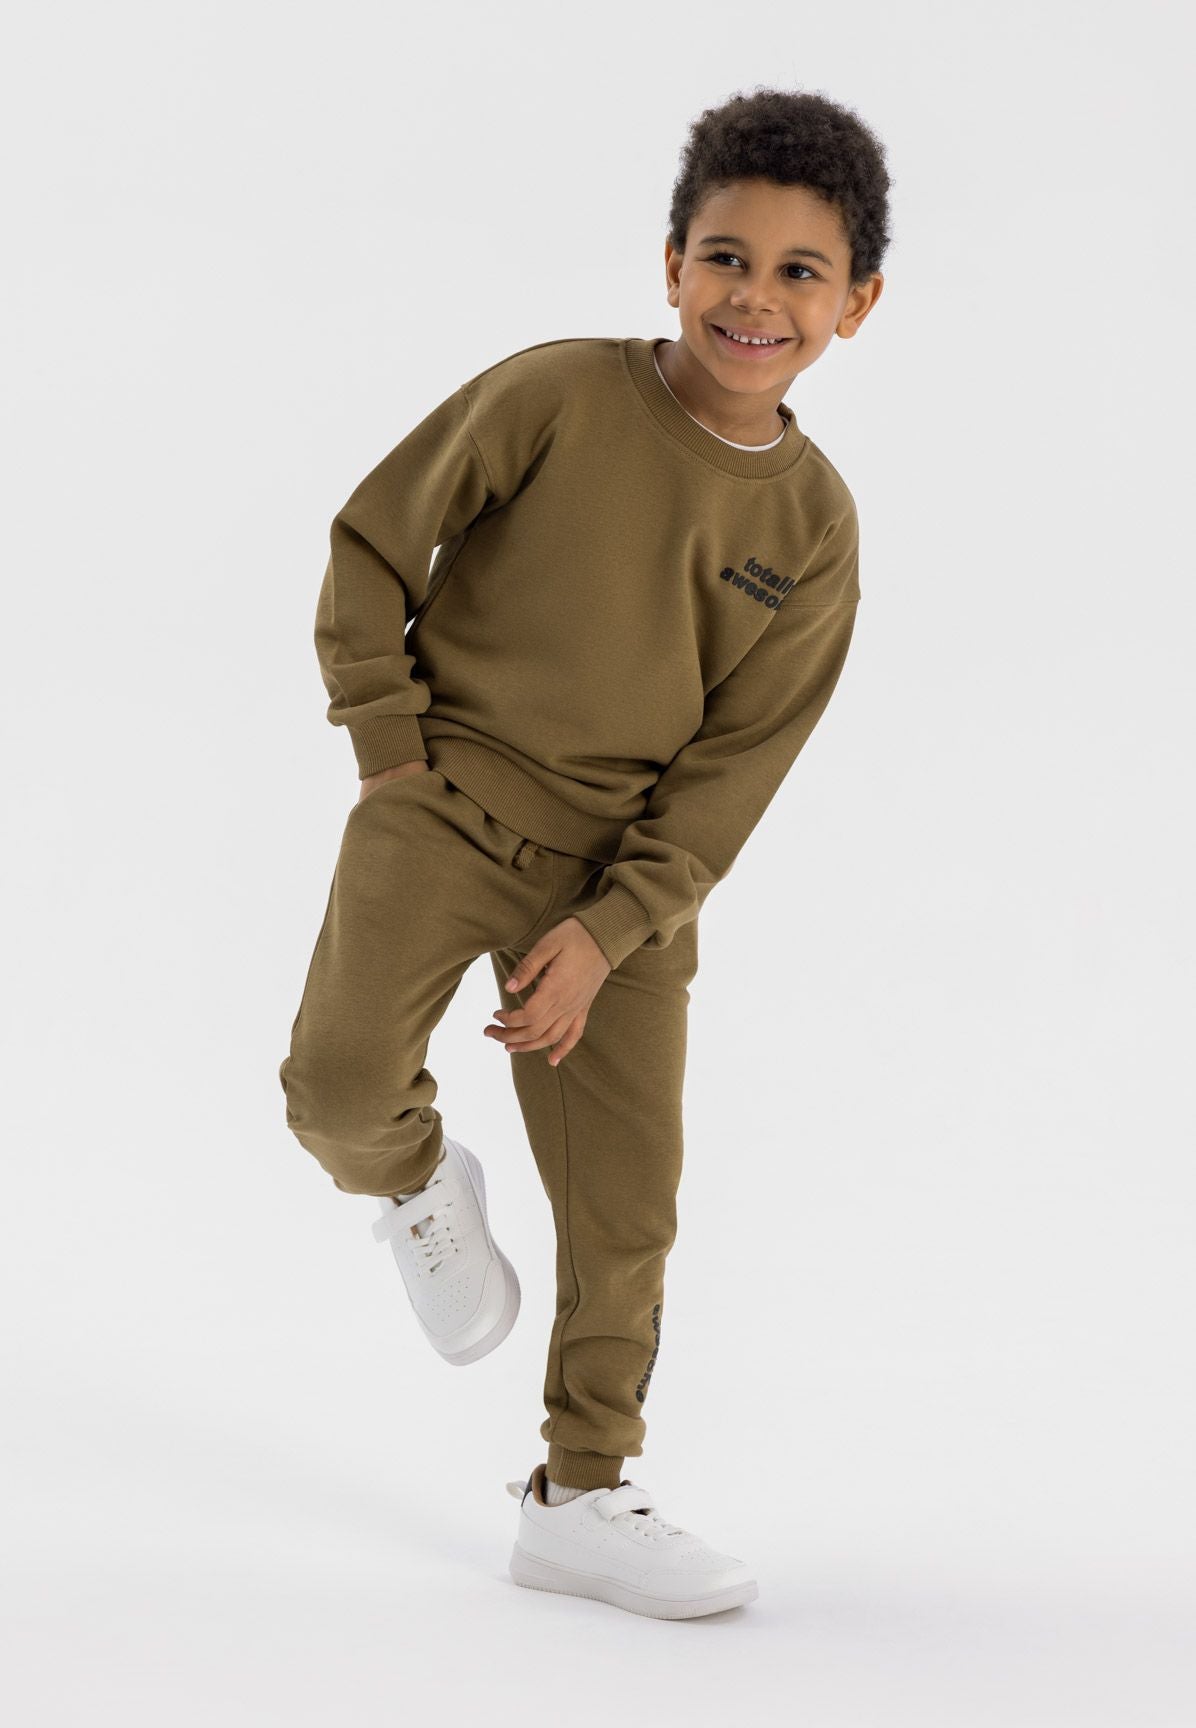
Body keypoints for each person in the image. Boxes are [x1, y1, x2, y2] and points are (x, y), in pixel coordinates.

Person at [278, 83, 889, 1621]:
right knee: (334, 1092)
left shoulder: (814, 528)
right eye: (726, 257)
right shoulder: (555, 393)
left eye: (800, 272)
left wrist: (610, 932)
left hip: (621, 880)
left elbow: (739, 767)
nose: (755, 298)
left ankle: (582, 1492)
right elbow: (372, 542)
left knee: (627, 1209)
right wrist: (388, 752)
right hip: (444, 803)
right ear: (673, 262)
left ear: (857, 304)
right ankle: (421, 1182)